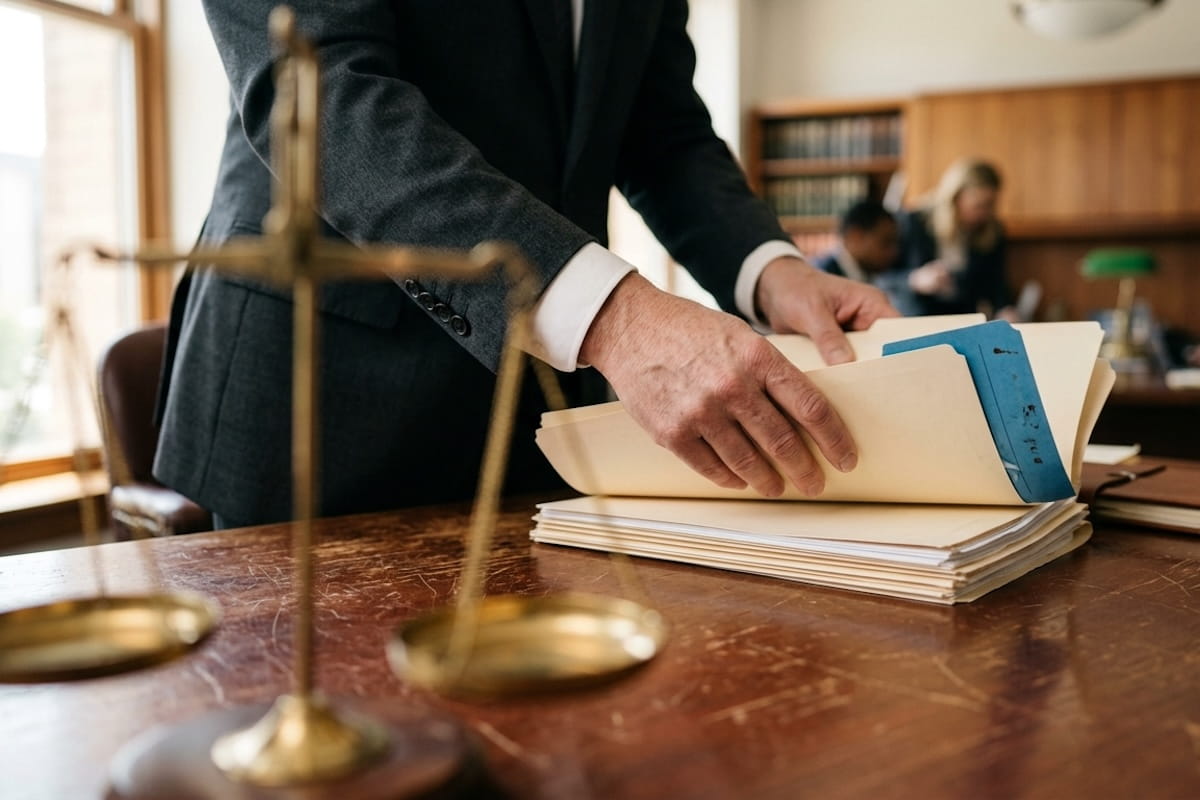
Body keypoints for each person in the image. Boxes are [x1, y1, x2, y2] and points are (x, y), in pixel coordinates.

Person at [155, 0, 897, 529]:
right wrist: (617, 318)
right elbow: (321, 96)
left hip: (532, 410)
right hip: (326, 392)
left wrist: (772, 270)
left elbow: (662, 131)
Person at [897, 158, 1017, 319]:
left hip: (964, 321)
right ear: (955, 197)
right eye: (978, 205)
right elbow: (883, 278)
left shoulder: (991, 230)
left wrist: (1005, 309)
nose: (984, 214)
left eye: (990, 205)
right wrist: (915, 279)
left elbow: (995, 283)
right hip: (917, 318)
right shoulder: (914, 222)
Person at [812, 199, 919, 315]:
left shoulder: (872, 275)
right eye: (886, 242)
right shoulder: (821, 279)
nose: (894, 252)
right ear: (855, 236)